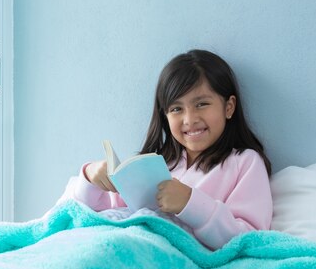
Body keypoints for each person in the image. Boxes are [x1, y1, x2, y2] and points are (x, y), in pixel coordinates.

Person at [60, 49, 273, 250]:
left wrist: (190, 204)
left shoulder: (245, 162)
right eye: (177, 109)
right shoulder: (152, 165)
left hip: (175, 262)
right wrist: (91, 179)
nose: (189, 120)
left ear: (229, 107)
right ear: (165, 116)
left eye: (202, 104)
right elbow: (95, 215)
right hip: (129, 246)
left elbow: (250, 240)